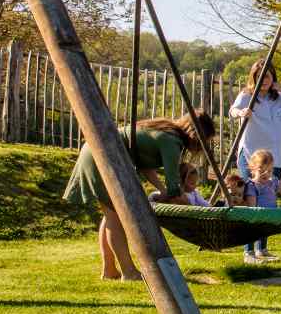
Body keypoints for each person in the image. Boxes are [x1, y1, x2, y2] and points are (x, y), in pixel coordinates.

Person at [63, 111, 217, 282]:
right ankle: (128, 272)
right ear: (197, 136)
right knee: (115, 217)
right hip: (102, 154)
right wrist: (194, 211)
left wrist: (162, 191)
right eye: (205, 141)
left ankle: (109, 270)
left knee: (110, 216)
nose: (203, 147)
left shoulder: (165, 131)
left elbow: (145, 166)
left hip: (97, 149)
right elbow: (175, 189)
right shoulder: (171, 142)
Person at [229, 60, 281, 262]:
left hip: (274, 157)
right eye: (259, 76)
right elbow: (233, 111)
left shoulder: (280, 98)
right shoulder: (247, 96)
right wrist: (242, 113)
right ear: (254, 77)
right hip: (251, 156)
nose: (264, 80)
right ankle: (248, 251)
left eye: (267, 76)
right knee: (252, 202)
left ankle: (262, 249)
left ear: (273, 78)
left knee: (268, 203)